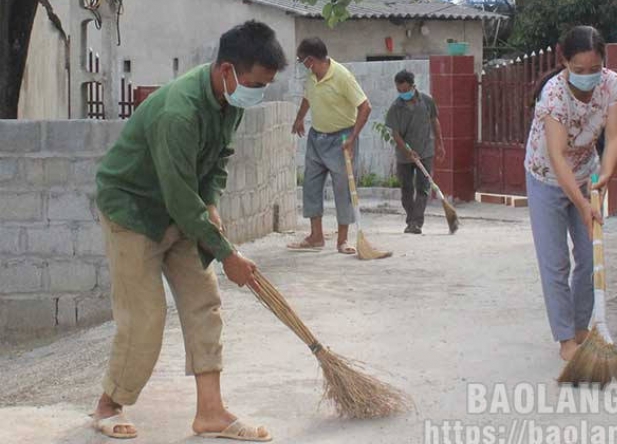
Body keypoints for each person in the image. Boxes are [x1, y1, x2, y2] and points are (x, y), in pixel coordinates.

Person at [93, 20, 287, 441]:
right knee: (145, 315)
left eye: (265, 85)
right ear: (226, 70)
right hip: (134, 211)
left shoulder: (230, 102)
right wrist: (227, 254)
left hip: (179, 210)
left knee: (204, 302)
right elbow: (180, 198)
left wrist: (212, 202)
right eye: (255, 83)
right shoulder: (178, 112)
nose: (258, 92)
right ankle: (108, 404)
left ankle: (211, 413)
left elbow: (217, 162)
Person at [524, 26, 617, 361]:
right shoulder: (552, 97)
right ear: (563, 59)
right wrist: (581, 203)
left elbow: (612, 139)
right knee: (555, 262)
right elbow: (556, 157)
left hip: (586, 176)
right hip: (545, 178)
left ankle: (583, 328)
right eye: (579, 71)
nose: (588, 77)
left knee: (589, 255)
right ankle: (566, 338)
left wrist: (605, 176)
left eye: (594, 70)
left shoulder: (610, 85)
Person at [288, 37, 372, 254]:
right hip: (317, 137)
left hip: (341, 139)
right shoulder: (311, 76)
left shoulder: (342, 76)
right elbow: (308, 98)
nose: (301, 64)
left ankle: (342, 240)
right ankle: (316, 236)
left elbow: (365, 107)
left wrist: (352, 137)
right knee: (311, 186)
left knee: (342, 190)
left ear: (311, 59)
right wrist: (299, 118)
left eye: (301, 60)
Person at [385, 69, 445, 234]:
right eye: (400, 91)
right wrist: (407, 151)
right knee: (406, 189)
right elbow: (395, 134)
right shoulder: (396, 107)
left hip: (425, 151)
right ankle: (410, 219)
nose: (403, 93)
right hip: (404, 155)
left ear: (413, 86)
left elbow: (435, 122)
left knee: (423, 188)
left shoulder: (427, 101)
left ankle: (416, 223)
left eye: (406, 90)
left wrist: (440, 144)